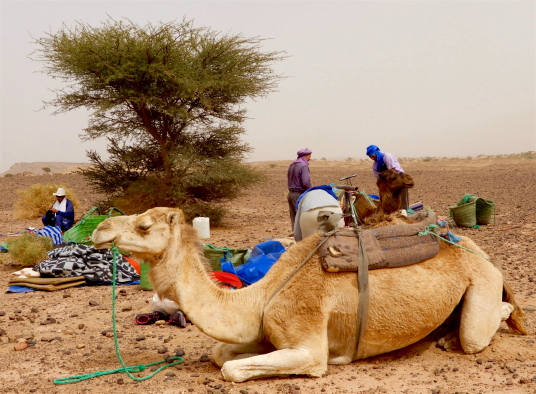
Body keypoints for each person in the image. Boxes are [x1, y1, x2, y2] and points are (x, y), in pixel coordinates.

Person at [366, 145, 409, 211]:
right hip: (387, 181)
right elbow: (378, 178)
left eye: (372, 156)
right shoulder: (375, 165)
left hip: (398, 178)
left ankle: (404, 211)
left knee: (402, 196)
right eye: (370, 156)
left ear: (376, 152)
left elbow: (393, 171)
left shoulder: (387, 157)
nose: (371, 158)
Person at [287, 148, 312, 230]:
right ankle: (301, 237)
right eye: (309, 156)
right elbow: (305, 182)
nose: (310, 158)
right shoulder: (303, 166)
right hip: (299, 194)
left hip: (290, 194)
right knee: (301, 217)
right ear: (305, 156)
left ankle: (294, 234)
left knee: (294, 217)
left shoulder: (292, 165)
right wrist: (310, 191)